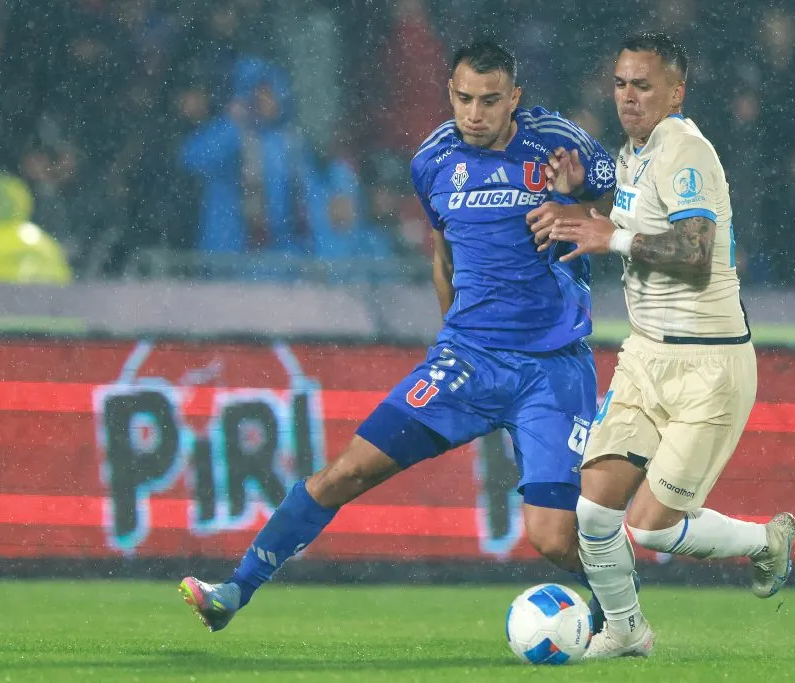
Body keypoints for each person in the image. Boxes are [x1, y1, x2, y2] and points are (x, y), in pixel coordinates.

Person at [178, 39, 618, 632]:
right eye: (464, 98)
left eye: (491, 101)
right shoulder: (432, 159)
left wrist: (584, 203)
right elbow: (444, 255)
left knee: (554, 538)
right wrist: (452, 338)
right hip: (467, 361)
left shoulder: (560, 141)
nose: (476, 113)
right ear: (450, 94)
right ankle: (234, 589)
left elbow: (620, 205)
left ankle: (623, 606)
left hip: (551, 368)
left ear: (514, 98)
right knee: (346, 472)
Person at [533, 32, 795, 658]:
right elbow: (631, 220)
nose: (628, 97)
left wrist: (610, 237)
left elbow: (695, 250)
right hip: (647, 355)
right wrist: (588, 200)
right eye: (622, 84)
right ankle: (626, 631)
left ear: (676, 91)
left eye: (643, 85)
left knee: (649, 529)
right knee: (594, 514)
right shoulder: (635, 153)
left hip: (709, 364)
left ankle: (765, 541)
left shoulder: (685, 151)